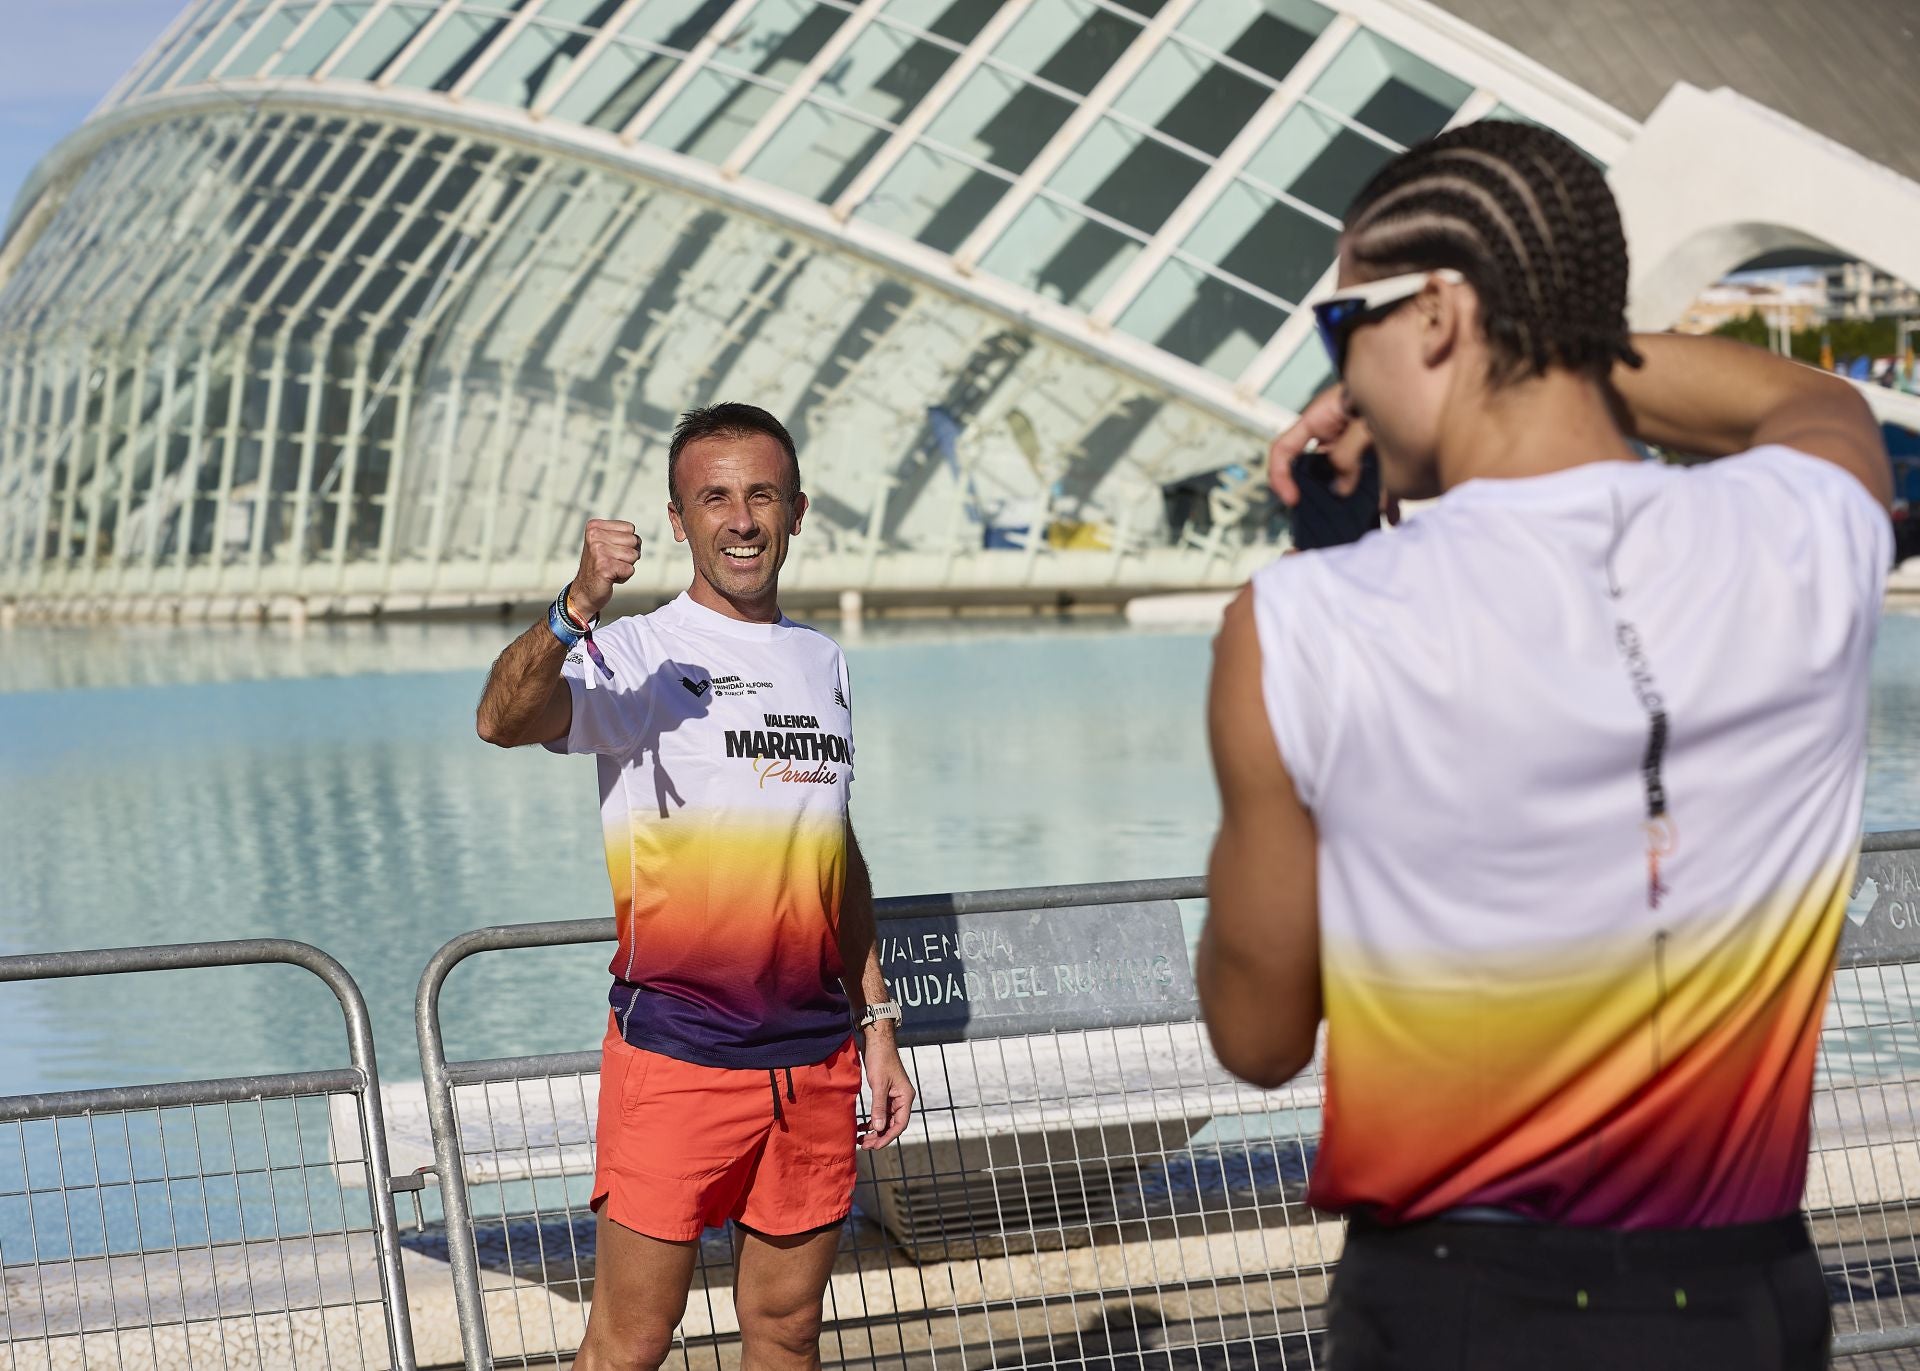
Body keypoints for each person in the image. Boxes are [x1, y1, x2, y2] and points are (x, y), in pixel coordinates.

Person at [1196, 120, 1893, 1369]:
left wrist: (1344, 558)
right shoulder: (1812, 535)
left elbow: (1258, 1040)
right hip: (1746, 1296)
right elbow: (1811, 400)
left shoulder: (1303, 623)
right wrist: (1560, 355)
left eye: (1344, 331)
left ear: (1440, 316)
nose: (1342, 385)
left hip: (1463, 1309)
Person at [474, 402, 916, 1371]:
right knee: (629, 1344)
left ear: (797, 512)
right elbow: (501, 719)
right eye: (713, 499)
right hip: (677, 1054)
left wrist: (875, 1023)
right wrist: (574, 606)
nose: (741, 519)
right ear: (680, 522)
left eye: (762, 495)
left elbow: (833, 849)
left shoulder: (821, 662)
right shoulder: (635, 652)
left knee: (788, 1333)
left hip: (812, 1062)